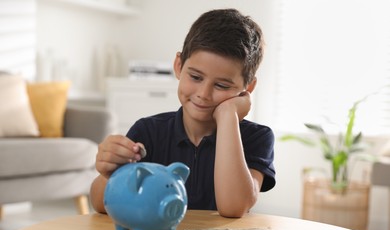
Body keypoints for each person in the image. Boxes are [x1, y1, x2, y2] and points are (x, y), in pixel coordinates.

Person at [90, 8, 276, 218]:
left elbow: (233, 208)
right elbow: (100, 203)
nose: (204, 94)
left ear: (247, 88)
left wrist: (227, 116)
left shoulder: (257, 138)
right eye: (196, 77)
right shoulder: (148, 131)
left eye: (222, 85)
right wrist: (110, 174)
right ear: (178, 65)